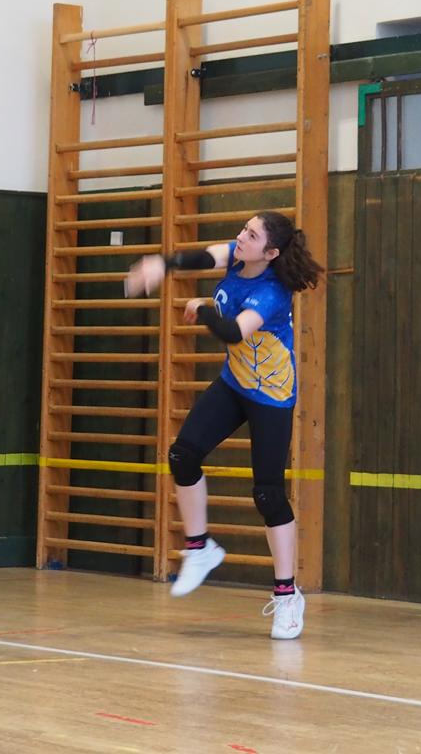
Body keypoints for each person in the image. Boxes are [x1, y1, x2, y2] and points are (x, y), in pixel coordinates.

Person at [125, 211, 324, 639]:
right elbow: (199, 257)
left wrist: (201, 307)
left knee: (268, 493)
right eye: (244, 230)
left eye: (251, 235)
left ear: (271, 253)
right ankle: (199, 548)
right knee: (183, 454)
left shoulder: (272, 292)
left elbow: (234, 332)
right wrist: (162, 263)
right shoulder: (236, 256)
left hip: (271, 395)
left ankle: (287, 595)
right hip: (235, 383)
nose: (241, 237)